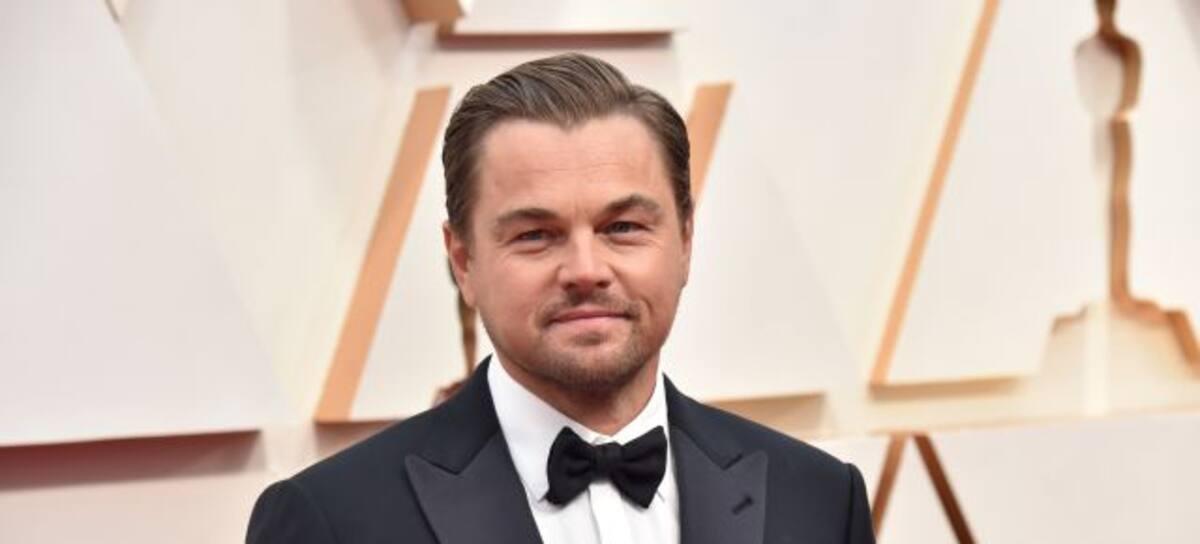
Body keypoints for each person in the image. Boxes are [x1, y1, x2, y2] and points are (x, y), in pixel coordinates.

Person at [247, 53, 874, 544]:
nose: (585, 270)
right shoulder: (332, 520)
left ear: (685, 240)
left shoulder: (819, 499)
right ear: (463, 260)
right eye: (535, 235)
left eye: (622, 227)